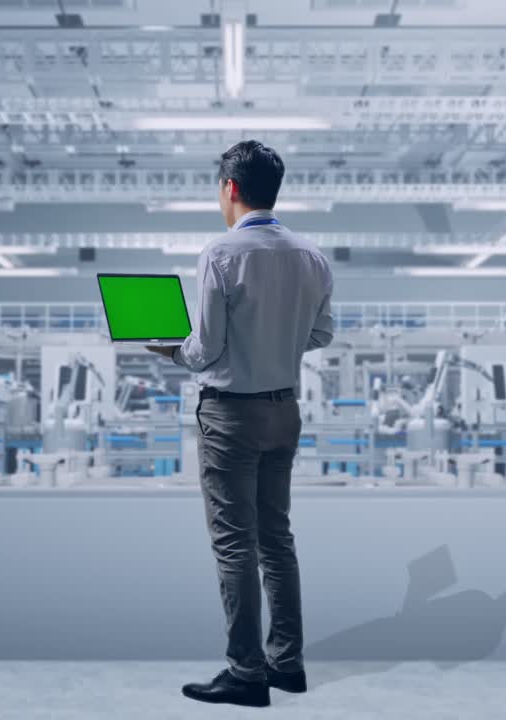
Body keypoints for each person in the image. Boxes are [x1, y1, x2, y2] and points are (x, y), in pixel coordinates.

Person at [147, 140, 334, 708]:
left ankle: (245, 672)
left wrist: (170, 351)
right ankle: (288, 663)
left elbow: (204, 349)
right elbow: (322, 335)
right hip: (284, 411)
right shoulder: (311, 255)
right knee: (277, 540)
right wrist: (277, 339)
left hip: (231, 415)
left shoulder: (222, 252)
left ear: (229, 188)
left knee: (234, 547)